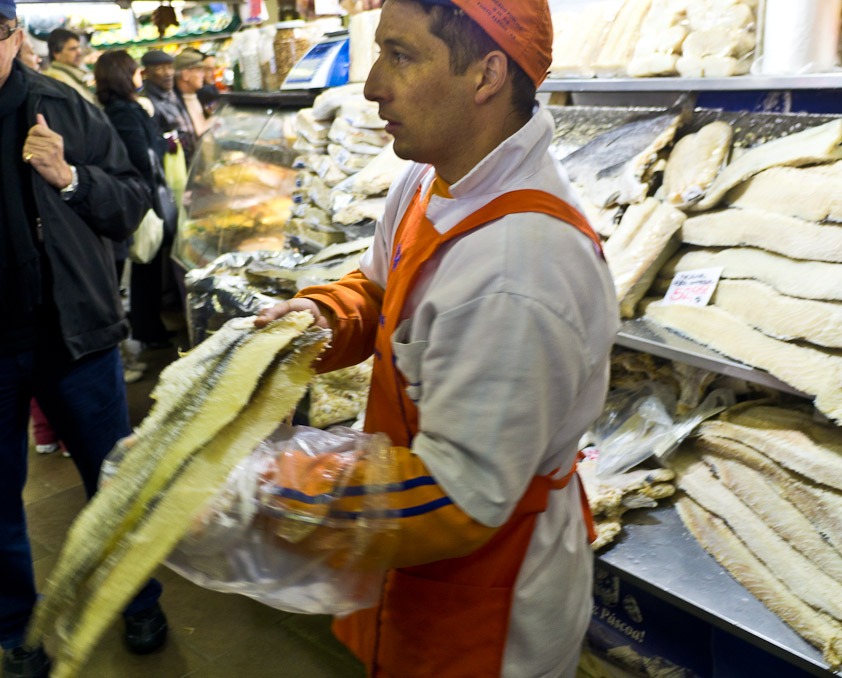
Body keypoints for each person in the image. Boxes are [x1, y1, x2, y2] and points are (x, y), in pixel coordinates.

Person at [256, 0, 617, 676]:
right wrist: (317, 323)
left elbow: (459, 496)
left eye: (400, 55)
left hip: (487, 611)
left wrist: (270, 488)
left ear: (485, 75)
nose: (371, 85)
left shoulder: (518, 269)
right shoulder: (431, 179)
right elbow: (375, 288)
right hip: (412, 562)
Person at [0, 0, 168, 676]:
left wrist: (70, 178)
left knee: (115, 484)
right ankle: (18, 631)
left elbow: (134, 200)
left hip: (73, 340)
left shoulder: (62, 107)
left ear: (16, 37)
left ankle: (138, 600)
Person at [95, 49, 174, 351]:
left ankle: (149, 328)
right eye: (135, 70)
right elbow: (141, 158)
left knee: (148, 268)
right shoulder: (125, 112)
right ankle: (147, 331)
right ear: (123, 75)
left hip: (140, 196)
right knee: (146, 266)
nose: (139, 75)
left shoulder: (119, 108)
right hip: (142, 199)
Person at [139, 48, 196, 161]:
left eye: (170, 67)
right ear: (146, 73)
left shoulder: (172, 93)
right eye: (160, 69)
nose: (168, 73)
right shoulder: (146, 102)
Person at [40, 27, 96, 106]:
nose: (79, 53)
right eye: (73, 49)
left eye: (78, 48)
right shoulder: (56, 79)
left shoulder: (73, 75)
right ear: (56, 54)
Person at [173, 48, 209, 137]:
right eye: (199, 70)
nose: (203, 75)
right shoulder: (175, 104)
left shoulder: (200, 96)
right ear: (185, 75)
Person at [196, 51, 218, 116]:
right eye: (209, 69)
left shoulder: (226, 89)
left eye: (216, 69)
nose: (214, 73)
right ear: (202, 71)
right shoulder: (200, 93)